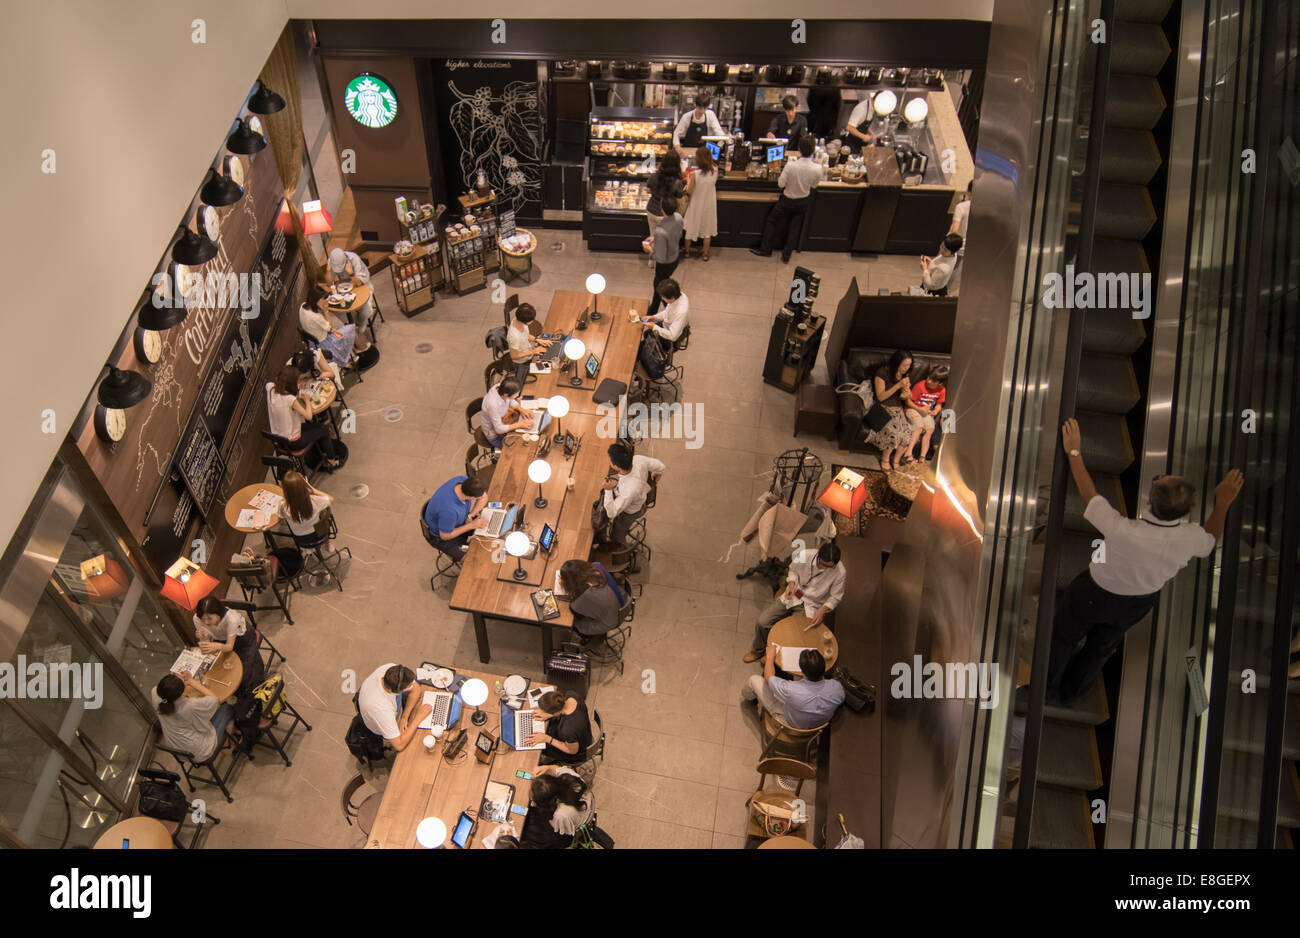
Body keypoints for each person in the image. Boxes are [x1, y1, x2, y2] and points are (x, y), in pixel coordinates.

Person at [1048, 419, 1244, 701]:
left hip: (1093, 592)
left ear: (1149, 503)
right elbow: (1211, 539)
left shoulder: (1123, 530)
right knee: (1100, 649)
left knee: (1064, 635)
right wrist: (1223, 502)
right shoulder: (1189, 538)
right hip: (1137, 603)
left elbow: (1089, 493)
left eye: (1158, 481)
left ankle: (1046, 688)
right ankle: (1071, 694)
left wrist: (1074, 451)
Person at [744, 542, 847, 662]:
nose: (825, 568)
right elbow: (792, 570)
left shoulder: (840, 572)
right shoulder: (805, 554)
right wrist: (792, 585)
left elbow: (835, 597)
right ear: (818, 555)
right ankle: (758, 650)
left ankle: (773, 655)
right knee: (762, 621)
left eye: (830, 567)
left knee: (793, 634)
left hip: (812, 604)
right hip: (794, 594)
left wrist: (823, 610)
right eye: (823, 564)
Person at [750, 137, 824, 263]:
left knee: (771, 221)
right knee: (794, 227)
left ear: (799, 149)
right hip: (803, 202)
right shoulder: (817, 169)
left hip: (787, 200)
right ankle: (786, 255)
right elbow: (814, 185)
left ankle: (766, 249)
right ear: (813, 150)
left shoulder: (791, 166)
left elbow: (780, 184)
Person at [741, 646, 845, 730]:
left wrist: (770, 657)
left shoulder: (792, 690)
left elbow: (769, 678)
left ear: (803, 672)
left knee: (753, 679)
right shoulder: (837, 688)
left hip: (788, 723)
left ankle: (749, 698)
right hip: (815, 727)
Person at [265, 365, 342, 470]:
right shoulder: (290, 400)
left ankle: (321, 450)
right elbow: (309, 416)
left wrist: (298, 392)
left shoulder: (270, 389)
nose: (299, 383)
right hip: (293, 441)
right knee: (323, 429)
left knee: (315, 427)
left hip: (279, 440)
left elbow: (272, 384)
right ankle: (332, 461)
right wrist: (306, 401)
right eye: (298, 381)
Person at [153, 672, 235, 763]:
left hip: (178, 750)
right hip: (201, 752)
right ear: (181, 691)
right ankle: (229, 740)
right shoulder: (190, 706)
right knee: (228, 708)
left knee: (203, 715)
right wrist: (193, 683)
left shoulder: (155, 694)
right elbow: (214, 700)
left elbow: (161, 688)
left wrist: (175, 681)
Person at [193, 596, 265, 694]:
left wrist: (217, 646)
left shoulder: (231, 619)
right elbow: (206, 642)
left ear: (218, 613)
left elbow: (229, 646)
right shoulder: (197, 619)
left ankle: (257, 685)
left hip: (242, 639)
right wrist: (202, 638)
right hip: (221, 641)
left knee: (243, 673)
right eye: (203, 619)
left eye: (209, 618)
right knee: (222, 671)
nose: (206, 622)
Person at [861, 349, 916, 472]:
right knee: (894, 433)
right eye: (904, 365)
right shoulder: (882, 373)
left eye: (909, 365)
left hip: (898, 409)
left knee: (907, 434)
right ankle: (885, 460)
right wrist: (898, 385)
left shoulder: (905, 375)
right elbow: (881, 397)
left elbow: (907, 396)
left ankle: (896, 461)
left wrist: (906, 393)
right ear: (896, 363)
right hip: (883, 408)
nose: (906, 368)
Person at [357, 663, 430, 752]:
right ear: (394, 691)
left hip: (393, 711)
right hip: (383, 721)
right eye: (409, 686)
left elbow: (416, 689)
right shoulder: (381, 710)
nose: (412, 685)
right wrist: (419, 717)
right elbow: (399, 745)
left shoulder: (391, 671)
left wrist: (404, 717)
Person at [601, 443, 665, 544]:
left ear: (616, 466)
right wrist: (658, 472)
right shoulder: (638, 459)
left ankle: (623, 553)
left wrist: (608, 490)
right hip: (639, 498)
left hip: (629, 513)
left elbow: (611, 513)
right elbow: (661, 465)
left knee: (616, 538)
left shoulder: (629, 490)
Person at [519, 767, 594, 848]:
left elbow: (562, 835)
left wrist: (551, 822)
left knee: (529, 828)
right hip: (584, 809)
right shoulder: (569, 777)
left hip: (571, 831)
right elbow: (555, 769)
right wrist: (547, 768)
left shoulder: (561, 815)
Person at [424, 474, 488, 554]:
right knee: (471, 557)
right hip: (440, 536)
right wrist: (471, 525)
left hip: (454, 521)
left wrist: (470, 516)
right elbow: (445, 536)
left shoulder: (463, 481)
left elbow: (484, 497)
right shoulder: (449, 511)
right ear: (471, 497)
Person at [560, 559, 625, 638]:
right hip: (619, 603)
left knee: (571, 621)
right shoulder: (596, 565)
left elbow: (573, 610)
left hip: (610, 621)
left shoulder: (586, 595)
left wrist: (567, 588)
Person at [526, 690, 593, 767]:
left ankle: (549, 759)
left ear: (555, 712)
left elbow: (572, 751)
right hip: (584, 734)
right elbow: (562, 711)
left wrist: (547, 738)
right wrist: (549, 715)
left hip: (577, 754)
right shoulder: (572, 695)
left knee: (541, 746)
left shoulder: (567, 730)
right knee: (550, 727)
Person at [299, 284, 363, 363]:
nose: (325, 300)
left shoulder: (302, 307)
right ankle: (360, 349)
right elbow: (329, 327)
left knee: (341, 327)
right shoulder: (316, 317)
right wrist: (326, 311)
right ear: (316, 300)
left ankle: (354, 352)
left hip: (312, 341)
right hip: (326, 343)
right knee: (351, 329)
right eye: (323, 299)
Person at [644, 196, 684, 317]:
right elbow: (675, 234)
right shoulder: (678, 217)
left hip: (664, 265)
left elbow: (660, 257)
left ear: (662, 210)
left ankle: (667, 313)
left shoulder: (660, 231)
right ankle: (653, 311)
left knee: (660, 289)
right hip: (675, 257)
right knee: (660, 288)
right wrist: (656, 239)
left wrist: (649, 250)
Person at [324, 248, 375, 338]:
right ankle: (354, 322)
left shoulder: (354, 258)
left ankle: (362, 321)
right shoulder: (331, 261)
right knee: (337, 309)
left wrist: (351, 273)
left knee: (366, 311)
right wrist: (328, 271)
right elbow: (329, 283)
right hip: (344, 288)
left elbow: (359, 283)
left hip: (363, 286)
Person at [905, 364, 948, 463]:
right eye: (929, 378)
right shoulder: (920, 386)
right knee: (919, 426)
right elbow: (909, 402)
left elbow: (939, 404)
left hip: (926, 413)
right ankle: (908, 452)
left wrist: (936, 411)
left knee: (930, 429)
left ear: (940, 383)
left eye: (933, 381)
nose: (929, 381)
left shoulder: (942, 390)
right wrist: (920, 410)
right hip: (913, 409)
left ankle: (922, 457)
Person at [682, 145, 718, 260]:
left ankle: (687, 252)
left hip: (696, 204)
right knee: (707, 230)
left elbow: (689, 191)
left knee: (690, 227)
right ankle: (705, 254)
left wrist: (688, 180)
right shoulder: (715, 171)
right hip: (709, 204)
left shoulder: (695, 175)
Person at [480, 376, 533, 448]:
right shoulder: (492, 405)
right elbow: (499, 429)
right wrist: (520, 424)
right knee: (516, 449)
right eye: (516, 394)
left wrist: (522, 410)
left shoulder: (500, 387)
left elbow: (510, 400)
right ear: (506, 395)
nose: (517, 395)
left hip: (502, 420)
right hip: (494, 434)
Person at [506, 302, 552, 384]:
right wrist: (534, 351)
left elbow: (525, 334)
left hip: (529, 351)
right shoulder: (514, 337)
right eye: (532, 320)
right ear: (526, 322)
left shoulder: (517, 320)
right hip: (523, 362)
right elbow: (514, 356)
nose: (533, 321)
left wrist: (537, 340)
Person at [644, 150, 686, 240]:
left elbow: (649, 187)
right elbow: (679, 196)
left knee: (653, 237)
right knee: (665, 241)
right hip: (665, 213)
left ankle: (653, 253)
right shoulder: (677, 182)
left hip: (651, 209)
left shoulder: (654, 176)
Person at [281, 470, 333, 538]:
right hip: (318, 534)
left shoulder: (283, 506)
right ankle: (328, 544)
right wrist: (312, 490)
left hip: (300, 538)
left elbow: (281, 515)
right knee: (323, 512)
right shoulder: (314, 501)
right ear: (305, 485)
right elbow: (330, 498)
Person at [639, 278, 689, 348]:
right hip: (668, 325)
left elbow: (672, 336)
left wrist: (654, 327)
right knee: (647, 334)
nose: (662, 299)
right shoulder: (680, 295)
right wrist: (654, 318)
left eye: (663, 297)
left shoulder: (681, 311)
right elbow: (667, 312)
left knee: (641, 348)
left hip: (671, 338)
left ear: (672, 297)